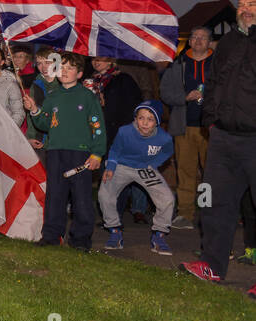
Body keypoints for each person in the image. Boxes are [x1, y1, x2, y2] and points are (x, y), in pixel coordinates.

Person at [180, 0, 256, 300]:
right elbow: (212, 84)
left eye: (252, 4)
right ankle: (211, 265)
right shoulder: (228, 42)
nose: (244, 9)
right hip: (224, 137)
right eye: (241, 5)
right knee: (213, 203)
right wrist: (210, 118)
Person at [22, 52, 106, 249]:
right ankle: (51, 235)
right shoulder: (53, 96)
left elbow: (98, 127)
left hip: (80, 154)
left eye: (70, 68)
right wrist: (34, 109)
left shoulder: (87, 97)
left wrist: (97, 153)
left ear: (79, 74)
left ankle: (80, 239)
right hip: (55, 152)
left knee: (81, 198)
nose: (65, 71)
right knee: (55, 195)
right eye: (62, 67)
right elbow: (44, 123)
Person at [100, 100, 175, 255]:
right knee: (105, 194)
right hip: (122, 165)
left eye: (150, 119)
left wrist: (154, 163)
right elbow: (115, 149)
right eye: (141, 118)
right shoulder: (125, 131)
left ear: (157, 123)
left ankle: (159, 235)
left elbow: (167, 152)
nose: (144, 123)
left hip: (145, 168)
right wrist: (111, 167)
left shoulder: (164, 138)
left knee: (167, 198)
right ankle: (115, 231)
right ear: (135, 118)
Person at [158, 27, 214, 229]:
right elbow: (164, 92)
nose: (198, 40)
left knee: (212, 173)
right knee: (185, 172)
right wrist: (184, 98)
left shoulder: (220, 64)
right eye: (195, 37)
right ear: (189, 41)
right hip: (185, 126)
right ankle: (185, 214)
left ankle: (210, 213)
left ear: (210, 42)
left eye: (203, 37)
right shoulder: (178, 65)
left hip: (212, 128)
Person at [88, 55, 145, 221]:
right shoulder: (90, 81)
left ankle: (115, 215)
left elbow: (133, 106)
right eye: (94, 59)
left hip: (118, 134)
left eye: (102, 59)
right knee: (102, 174)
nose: (96, 62)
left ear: (111, 61)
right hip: (97, 133)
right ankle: (106, 214)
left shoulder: (123, 79)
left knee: (115, 174)